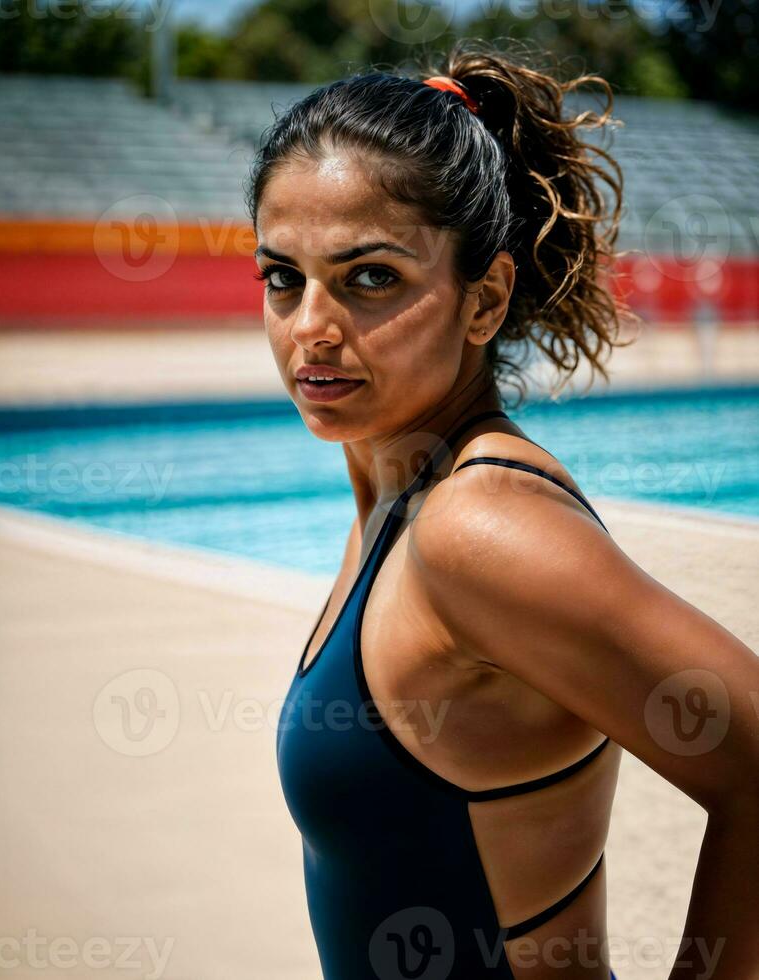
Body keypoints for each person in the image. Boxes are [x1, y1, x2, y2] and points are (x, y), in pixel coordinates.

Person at [247, 38, 759, 980]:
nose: (311, 325)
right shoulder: (400, 496)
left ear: (483, 301)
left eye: (370, 278)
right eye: (283, 277)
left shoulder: (475, 532)